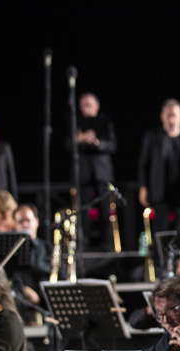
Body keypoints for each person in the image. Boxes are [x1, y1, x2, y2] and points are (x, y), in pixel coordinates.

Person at [137, 99, 180, 231]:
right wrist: (143, 187)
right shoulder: (152, 137)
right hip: (161, 192)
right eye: (168, 115)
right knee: (161, 231)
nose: (171, 119)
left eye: (174, 115)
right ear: (162, 117)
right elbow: (144, 164)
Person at [73, 92, 117, 248]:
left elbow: (112, 145)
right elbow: (67, 144)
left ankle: (108, 246)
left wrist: (97, 143)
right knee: (83, 212)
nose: (87, 108)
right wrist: (80, 139)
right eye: (84, 105)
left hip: (102, 174)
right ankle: (82, 245)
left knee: (106, 211)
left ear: (96, 106)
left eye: (90, 104)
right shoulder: (75, 122)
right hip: (83, 174)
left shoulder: (104, 121)